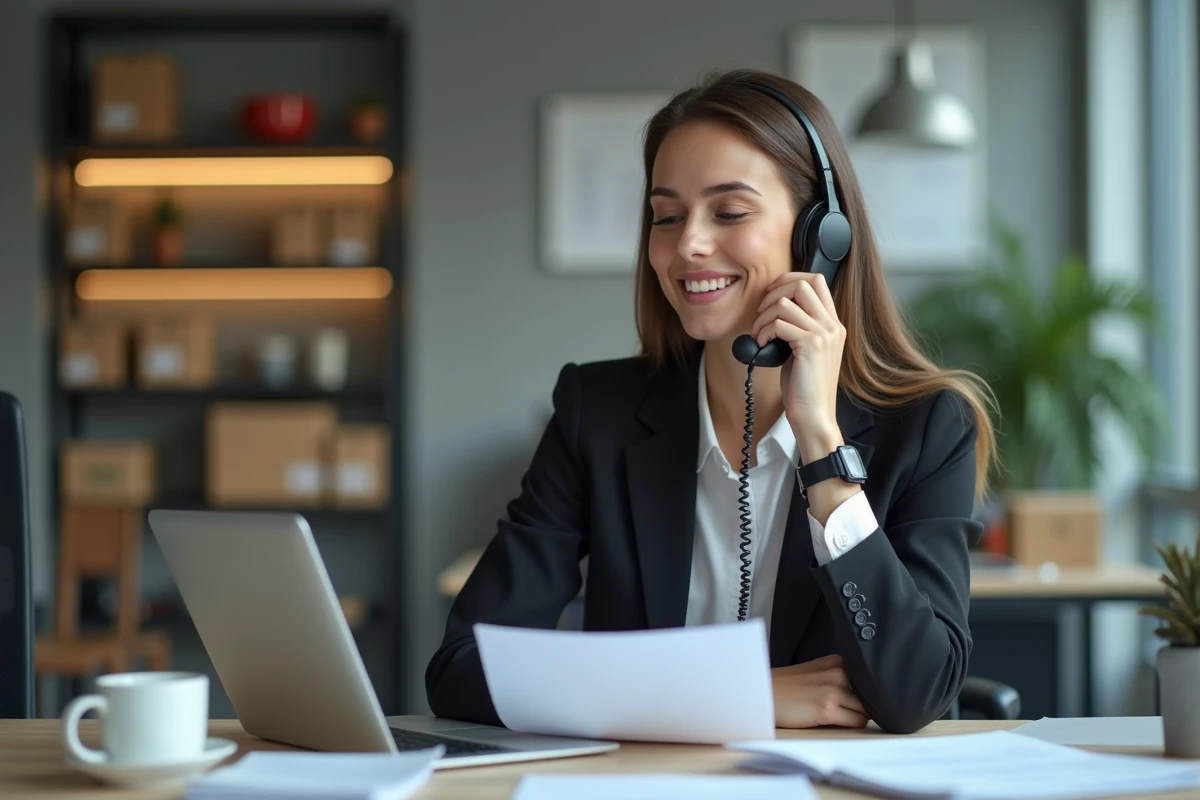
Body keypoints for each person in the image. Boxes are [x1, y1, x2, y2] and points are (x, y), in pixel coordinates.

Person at [425, 67, 997, 735]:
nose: (688, 244)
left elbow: (916, 691)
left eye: (729, 212)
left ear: (821, 238)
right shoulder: (597, 413)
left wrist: (820, 443)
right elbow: (463, 670)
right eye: (666, 216)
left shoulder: (926, 427)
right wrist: (737, 690)